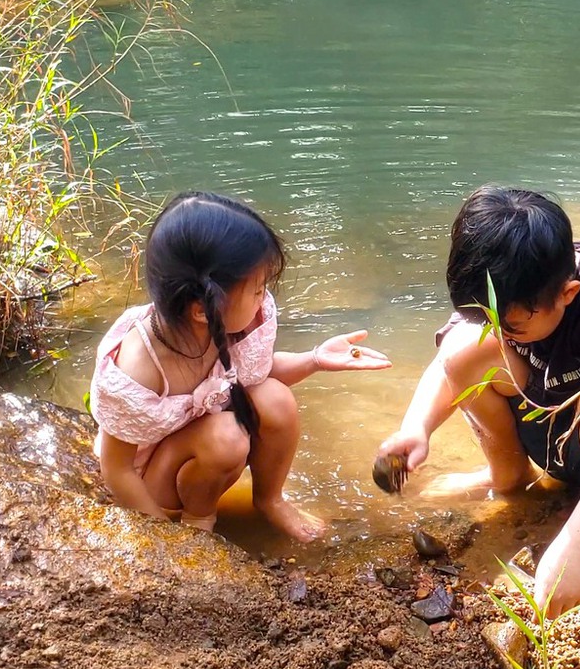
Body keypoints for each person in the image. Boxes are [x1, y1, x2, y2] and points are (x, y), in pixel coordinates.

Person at [376, 186, 580, 615]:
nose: (497, 330)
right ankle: (508, 478)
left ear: (568, 294)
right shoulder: (503, 280)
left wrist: (577, 544)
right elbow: (451, 363)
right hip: (563, 423)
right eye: (487, 318)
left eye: (511, 326)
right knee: (467, 348)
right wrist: (417, 427)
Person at [90, 191, 390, 541]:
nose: (264, 298)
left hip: (201, 445)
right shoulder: (140, 367)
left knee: (274, 398)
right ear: (201, 310)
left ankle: (270, 500)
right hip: (154, 478)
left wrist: (315, 359)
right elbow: (117, 470)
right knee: (227, 437)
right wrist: (164, 544)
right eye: (257, 290)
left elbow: (256, 374)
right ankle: (198, 524)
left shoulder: (228, 324)